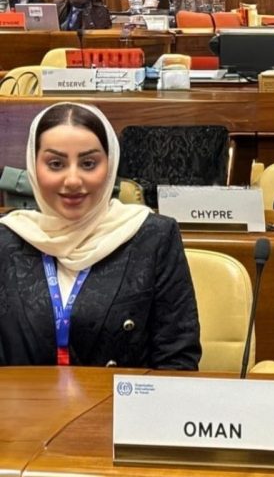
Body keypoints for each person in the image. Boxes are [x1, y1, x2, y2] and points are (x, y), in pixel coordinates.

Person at [0, 103, 201, 369]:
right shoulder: (7, 238)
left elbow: (178, 360)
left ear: (110, 166)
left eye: (88, 163)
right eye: (56, 163)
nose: (72, 179)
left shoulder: (154, 236)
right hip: (23, 408)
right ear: (33, 167)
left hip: (122, 407)